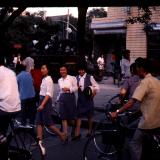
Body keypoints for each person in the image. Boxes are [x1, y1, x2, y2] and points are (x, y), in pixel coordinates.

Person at [110, 58, 160, 160]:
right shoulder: (156, 81)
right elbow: (149, 102)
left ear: (141, 68)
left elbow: (132, 102)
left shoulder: (145, 82)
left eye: (137, 67)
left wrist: (117, 111)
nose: (136, 70)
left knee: (133, 144)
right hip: (156, 119)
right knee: (132, 126)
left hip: (148, 122)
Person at [36, 64, 66, 156]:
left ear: (48, 70)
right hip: (41, 100)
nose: (42, 70)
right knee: (39, 122)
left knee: (48, 123)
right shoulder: (44, 79)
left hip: (45, 102)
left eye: (44, 68)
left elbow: (48, 94)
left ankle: (61, 135)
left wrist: (42, 105)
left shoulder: (49, 79)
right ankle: (39, 141)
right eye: (41, 68)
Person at [0, 56, 21, 160]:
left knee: (2, 132)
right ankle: (5, 139)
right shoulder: (11, 72)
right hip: (16, 106)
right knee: (3, 131)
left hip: (5, 108)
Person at [73, 64, 99, 140]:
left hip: (88, 100)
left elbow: (97, 86)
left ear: (85, 70)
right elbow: (74, 87)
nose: (81, 71)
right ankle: (77, 133)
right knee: (79, 116)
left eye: (82, 70)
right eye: (79, 70)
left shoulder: (90, 77)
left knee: (89, 116)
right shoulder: (76, 78)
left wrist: (93, 93)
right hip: (80, 100)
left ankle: (90, 130)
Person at [58, 65, 78, 137]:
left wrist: (69, 89)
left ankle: (73, 128)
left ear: (66, 70)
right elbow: (60, 91)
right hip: (62, 98)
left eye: (64, 70)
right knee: (63, 117)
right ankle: (65, 134)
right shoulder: (59, 80)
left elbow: (76, 87)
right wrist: (58, 98)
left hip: (70, 97)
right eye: (61, 70)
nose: (62, 71)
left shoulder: (72, 78)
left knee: (71, 117)